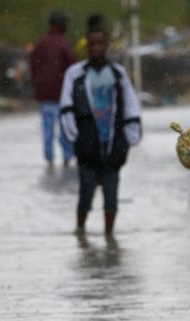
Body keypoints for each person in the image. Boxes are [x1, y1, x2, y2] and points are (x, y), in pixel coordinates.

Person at [60, 25, 142, 237]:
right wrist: (73, 138)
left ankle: (109, 237)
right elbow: (66, 107)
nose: (96, 48)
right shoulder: (75, 74)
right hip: (86, 146)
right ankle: (80, 231)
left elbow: (131, 105)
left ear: (106, 46)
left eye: (100, 43)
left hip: (113, 147)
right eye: (92, 44)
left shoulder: (117, 74)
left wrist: (131, 136)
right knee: (86, 192)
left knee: (111, 194)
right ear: (87, 47)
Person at [30, 11, 76, 167]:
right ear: (61, 24)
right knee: (65, 127)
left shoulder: (41, 44)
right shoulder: (64, 44)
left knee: (47, 127)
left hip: (44, 94)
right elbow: (72, 68)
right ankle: (67, 156)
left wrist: (38, 85)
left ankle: (49, 157)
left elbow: (34, 67)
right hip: (62, 94)